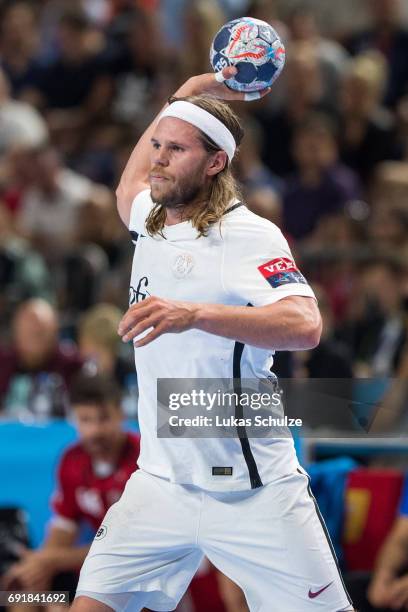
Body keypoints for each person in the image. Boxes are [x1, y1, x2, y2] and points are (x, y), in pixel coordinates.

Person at [71, 66, 355, 611]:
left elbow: (306, 324)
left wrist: (196, 313)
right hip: (160, 484)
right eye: (156, 144)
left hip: (254, 491)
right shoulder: (151, 218)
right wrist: (189, 93)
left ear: (215, 162)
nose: (157, 158)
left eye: (175, 149)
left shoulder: (248, 234)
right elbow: (126, 187)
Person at [1, 371, 140, 611]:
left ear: (120, 414)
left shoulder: (143, 460)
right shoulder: (72, 461)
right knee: (23, 598)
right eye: (86, 420)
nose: (95, 430)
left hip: (139, 577)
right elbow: (64, 527)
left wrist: (52, 560)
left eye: (104, 418)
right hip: (93, 575)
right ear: (74, 419)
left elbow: (137, 548)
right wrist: (36, 568)